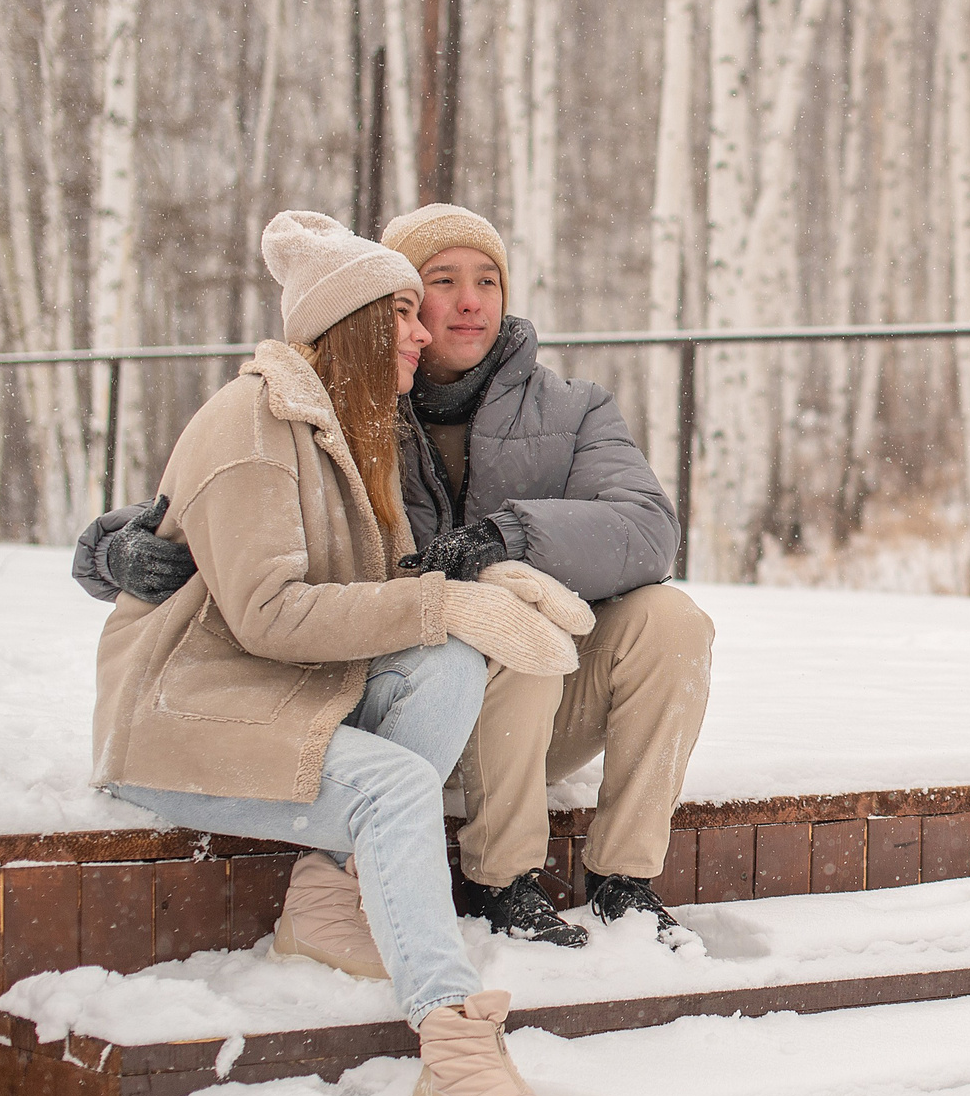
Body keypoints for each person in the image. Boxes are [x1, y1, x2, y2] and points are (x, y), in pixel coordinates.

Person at [75, 203, 714, 951]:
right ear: (389, 303)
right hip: (412, 702)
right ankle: (499, 879)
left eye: (488, 280)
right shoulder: (354, 396)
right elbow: (231, 497)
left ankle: (623, 879)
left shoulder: (572, 410)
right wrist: (107, 546)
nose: (471, 301)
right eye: (441, 282)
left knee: (671, 623)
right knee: (485, 633)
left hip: (529, 713)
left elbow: (647, 530)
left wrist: (510, 537)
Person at [92, 210, 584, 1096]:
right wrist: (439, 605)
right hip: (182, 715)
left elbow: (382, 598)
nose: (422, 329)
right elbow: (271, 614)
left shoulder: (352, 430)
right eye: (401, 312)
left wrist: (483, 592)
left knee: (444, 662)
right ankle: (456, 1045)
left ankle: (324, 897)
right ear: (351, 326)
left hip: (276, 699)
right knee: (395, 781)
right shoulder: (249, 423)